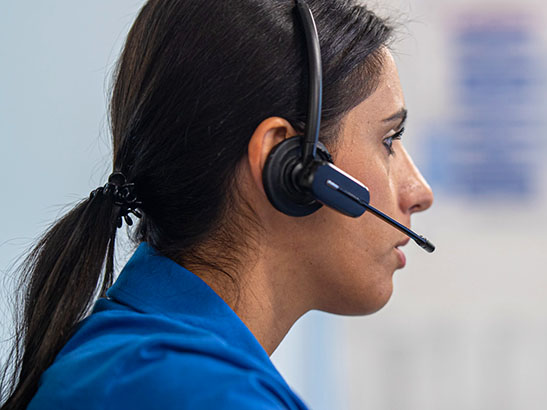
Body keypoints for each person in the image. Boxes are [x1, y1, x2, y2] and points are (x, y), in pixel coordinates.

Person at [0, 0, 433, 408]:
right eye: (389, 140)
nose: (420, 192)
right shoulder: (200, 392)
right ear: (290, 165)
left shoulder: (135, 360)